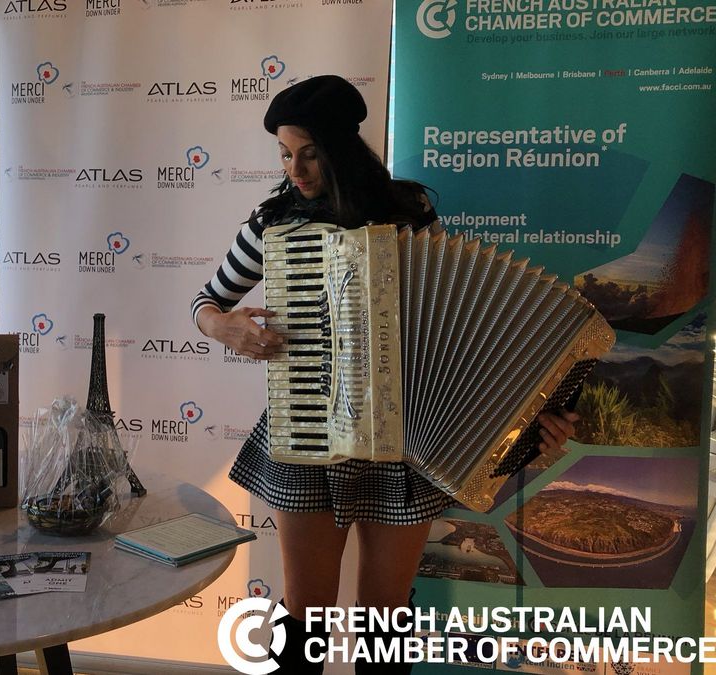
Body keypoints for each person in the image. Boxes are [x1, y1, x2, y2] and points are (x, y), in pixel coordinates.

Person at [190, 75, 579, 674]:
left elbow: (456, 320)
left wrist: (530, 420)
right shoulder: (273, 223)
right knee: (306, 615)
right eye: (285, 155)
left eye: (310, 154)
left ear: (344, 148)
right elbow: (207, 302)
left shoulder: (408, 214)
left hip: (402, 441)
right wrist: (225, 327)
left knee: (385, 619)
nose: (296, 170)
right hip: (307, 431)